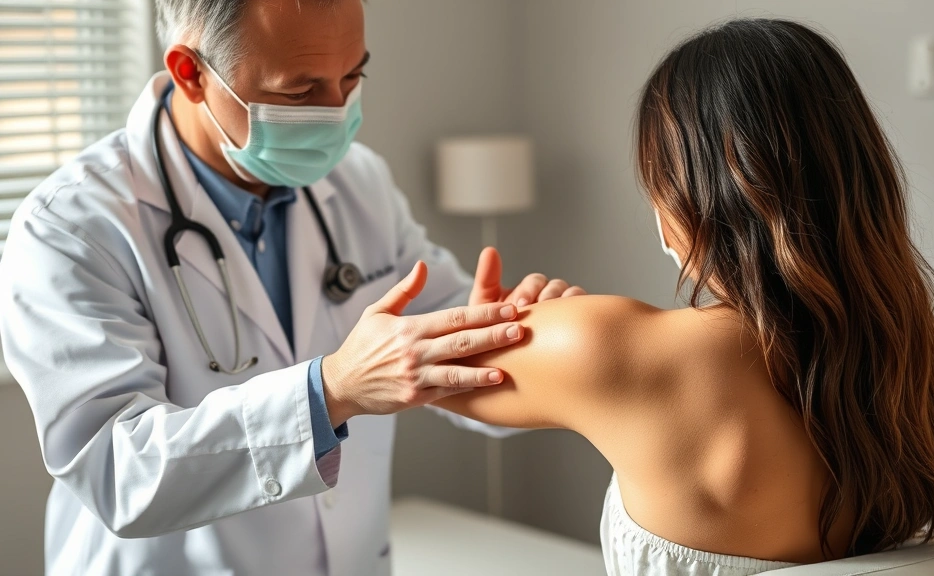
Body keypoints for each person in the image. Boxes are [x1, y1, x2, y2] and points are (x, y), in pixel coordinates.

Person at [0, 1, 584, 574]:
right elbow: (115, 471)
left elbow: (447, 348)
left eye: (352, 77)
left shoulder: (360, 183)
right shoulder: (70, 227)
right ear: (192, 74)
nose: (338, 113)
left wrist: (507, 336)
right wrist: (331, 391)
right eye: (300, 94)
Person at [434, 19, 934, 576]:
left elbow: (425, 373)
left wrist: (499, 325)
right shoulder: (898, 364)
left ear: (693, 195)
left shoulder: (611, 345)